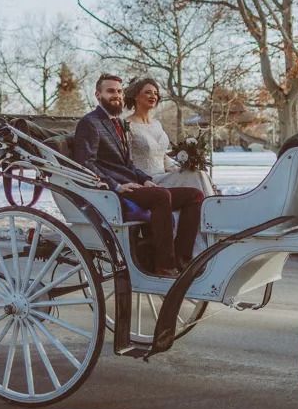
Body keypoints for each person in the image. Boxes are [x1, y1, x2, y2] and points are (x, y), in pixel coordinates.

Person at [74, 73, 204, 277]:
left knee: (194, 195)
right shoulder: (90, 123)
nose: (116, 95)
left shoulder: (117, 123)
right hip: (114, 191)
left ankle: (183, 257)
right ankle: (164, 264)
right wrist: (115, 186)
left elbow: (128, 164)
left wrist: (145, 179)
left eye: (118, 91)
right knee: (162, 197)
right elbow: (86, 164)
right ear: (98, 95)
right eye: (110, 91)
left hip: (134, 185)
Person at [124, 77, 215, 196]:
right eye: (147, 92)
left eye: (155, 93)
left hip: (164, 176)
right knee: (196, 176)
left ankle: (208, 210)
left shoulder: (157, 124)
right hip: (147, 181)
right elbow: (125, 159)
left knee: (198, 173)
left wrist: (178, 168)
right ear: (136, 96)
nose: (153, 96)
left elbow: (162, 156)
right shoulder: (127, 124)